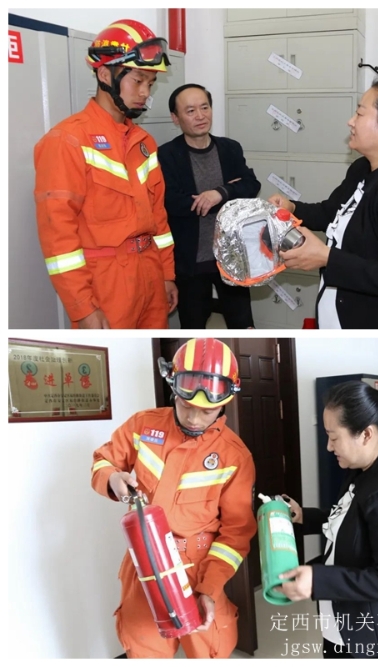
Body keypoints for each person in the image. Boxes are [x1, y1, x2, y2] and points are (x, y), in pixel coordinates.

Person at [91, 338, 256, 658]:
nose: (194, 418)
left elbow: (236, 534)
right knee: (144, 648)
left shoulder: (235, 456)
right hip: (145, 561)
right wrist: (111, 478)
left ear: (225, 402)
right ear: (173, 391)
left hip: (200, 568)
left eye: (206, 411)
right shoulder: (143, 426)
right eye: (186, 406)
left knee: (210, 651)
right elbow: (103, 460)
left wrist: (209, 589)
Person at [268, 77, 378, 329]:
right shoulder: (362, 168)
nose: (351, 121)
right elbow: (331, 212)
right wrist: (293, 208)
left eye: (360, 113)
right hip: (337, 314)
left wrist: (328, 258)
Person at [34, 19, 178, 329]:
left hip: (150, 273)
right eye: (138, 80)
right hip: (105, 285)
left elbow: (159, 218)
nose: (145, 92)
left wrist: (166, 274)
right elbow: (58, 238)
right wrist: (82, 307)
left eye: (151, 83)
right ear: (104, 74)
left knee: (150, 354)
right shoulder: (67, 141)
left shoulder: (144, 143)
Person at [276, 381, 378, 659]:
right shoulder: (365, 466)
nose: (329, 446)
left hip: (370, 630)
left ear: (366, 434)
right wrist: (304, 516)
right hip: (345, 616)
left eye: (334, 437)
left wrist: (318, 579)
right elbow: (352, 521)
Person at [158, 84, 261, 329]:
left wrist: (220, 193)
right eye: (190, 111)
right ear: (175, 118)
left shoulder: (230, 148)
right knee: (193, 328)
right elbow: (172, 202)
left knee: (243, 326)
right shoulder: (167, 155)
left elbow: (251, 185)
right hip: (190, 262)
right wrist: (228, 199)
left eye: (205, 107)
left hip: (231, 258)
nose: (200, 116)